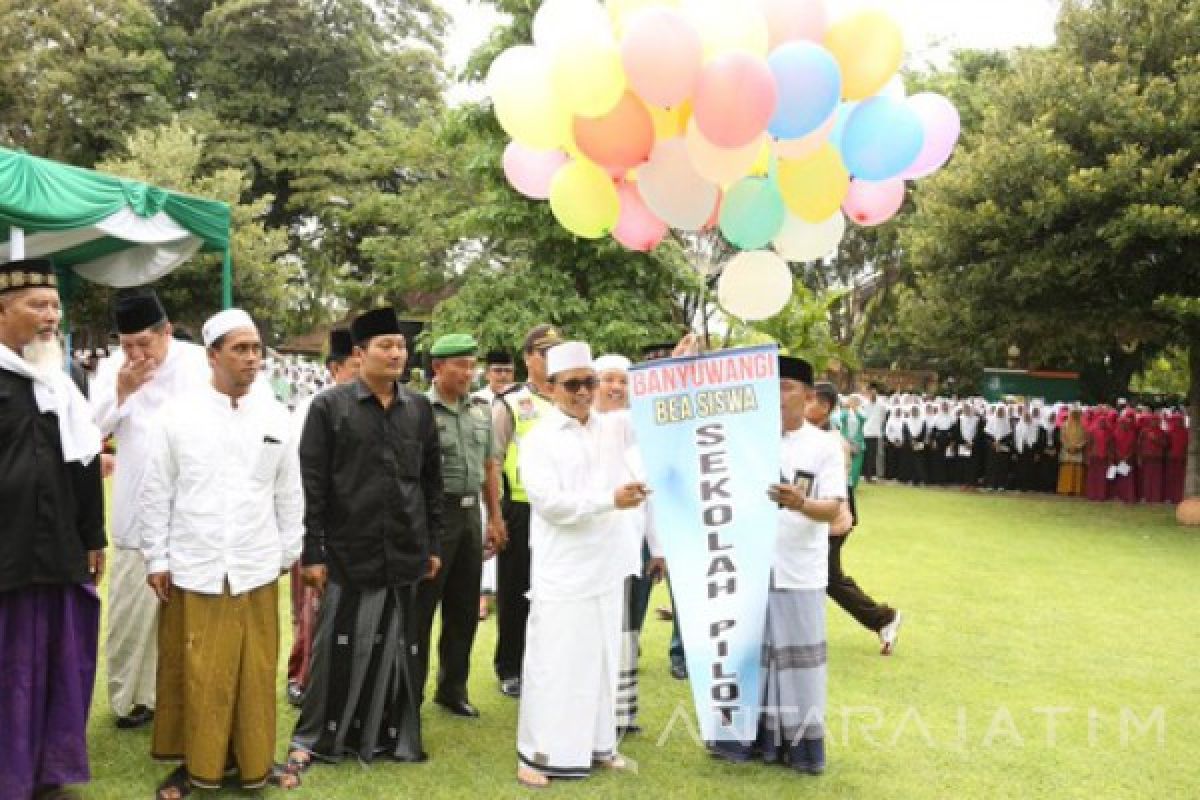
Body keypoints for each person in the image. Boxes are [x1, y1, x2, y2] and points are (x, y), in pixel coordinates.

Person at [138, 309, 303, 797]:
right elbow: (157, 490)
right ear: (213, 356)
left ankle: (255, 762)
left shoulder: (276, 415)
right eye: (240, 349)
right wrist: (157, 558)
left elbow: (288, 491)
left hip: (255, 565)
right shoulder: (177, 416)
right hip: (197, 564)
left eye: (256, 349)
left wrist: (287, 551)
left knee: (254, 673)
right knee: (201, 674)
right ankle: (196, 766)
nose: (253, 359)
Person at [287, 307, 443, 771]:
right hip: (347, 550)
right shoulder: (328, 407)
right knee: (339, 644)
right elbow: (312, 485)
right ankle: (321, 736)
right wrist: (312, 552)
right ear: (359, 354)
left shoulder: (417, 408)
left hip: (405, 547)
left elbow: (432, 482)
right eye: (385, 346)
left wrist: (433, 544)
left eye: (400, 345)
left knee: (399, 646)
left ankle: (388, 736)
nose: (396, 353)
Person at [514, 341, 647, 788]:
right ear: (550, 388)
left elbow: (656, 408)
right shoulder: (538, 440)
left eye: (589, 382)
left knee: (602, 660)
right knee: (555, 662)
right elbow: (551, 504)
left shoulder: (611, 428)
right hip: (564, 569)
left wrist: (675, 363)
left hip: (606, 565)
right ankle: (537, 753)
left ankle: (599, 745)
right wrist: (610, 500)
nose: (584, 392)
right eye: (573, 385)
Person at [0, 258, 106, 799]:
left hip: (61, 550)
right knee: (8, 670)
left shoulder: (65, 382)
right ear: (2, 310)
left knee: (58, 664)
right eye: (37, 306)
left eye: (55, 307)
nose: (50, 317)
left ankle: (48, 770)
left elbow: (85, 466)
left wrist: (94, 537)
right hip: (7, 558)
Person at [711, 355, 844, 774]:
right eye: (771, 385)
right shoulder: (746, 439)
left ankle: (800, 747)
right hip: (748, 563)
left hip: (797, 567)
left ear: (807, 397)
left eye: (787, 386)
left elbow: (834, 510)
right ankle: (740, 740)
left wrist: (802, 503)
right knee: (748, 654)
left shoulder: (824, 445)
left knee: (799, 662)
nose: (777, 394)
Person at [90, 288, 210, 730]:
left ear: (166, 332)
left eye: (145, 343)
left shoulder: (199, 363)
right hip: (137, 509)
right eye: (128, 346)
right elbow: (87, 433)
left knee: (186, 613)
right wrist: (119, 391)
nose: (137, 354)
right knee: (131, 614)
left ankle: (175, 698)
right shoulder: (111, 369)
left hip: (190, 508)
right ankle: (128, 701)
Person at [414, 333, 506, 718]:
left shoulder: (480, 411)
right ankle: (409, 693)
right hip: (434, 517)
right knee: (421, 610)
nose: (469, 373)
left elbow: (489, 468)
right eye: (461, 366)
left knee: (464, 609)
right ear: (438, 368)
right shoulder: (419, 410)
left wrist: (495, 517)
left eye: (472, 365)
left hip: (470, 517)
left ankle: (452, 688)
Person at [592, 352, 665, 736]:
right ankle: (591, 709)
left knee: (629, 628)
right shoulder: (583, 427)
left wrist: (659, 549)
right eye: (608, 379)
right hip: (593, 547)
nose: (616, 387)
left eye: (623, 381)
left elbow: (652, 496)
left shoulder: (639, 431)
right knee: (595, 628)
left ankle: (622, 712)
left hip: (634, 545)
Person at [286, 328, 360, 707]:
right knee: (310, 607)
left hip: (355, 528)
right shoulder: (312, 408)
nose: (362, 373)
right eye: (354, 366)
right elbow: (302, 476)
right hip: (316, 525)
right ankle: (303, 676)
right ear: (335, 368)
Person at [491, 324, 563, 698]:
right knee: (516, 590)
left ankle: (547, 664)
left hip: (562, 510)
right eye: (542, 351)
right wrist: (496, 515)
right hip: (521, 507)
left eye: (556, 350)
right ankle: (510, 666)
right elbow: (494, 459)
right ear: (527, 358)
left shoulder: (572, 395)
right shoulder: (512, 402)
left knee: (557, 591)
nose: (550, 358)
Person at [808, 382, 902, 656]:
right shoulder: (810, 436)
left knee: (830, 578)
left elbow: (836, 489)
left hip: (834, 515)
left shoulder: (832, 442)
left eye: (809, 401)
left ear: (824, 407)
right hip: (817, 515)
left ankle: (883, 618)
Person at [472, 350, 514, 621]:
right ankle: (482, 597)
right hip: (480, 480)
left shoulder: (518, 401)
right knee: (482, 538)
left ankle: (498, 592)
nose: (502, 376)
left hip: (510, 485)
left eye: (507, 371)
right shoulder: (479, 401)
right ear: (487, 373)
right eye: (497, 371)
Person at [1136, 412, 1167, 503]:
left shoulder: (1162, 432)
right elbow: (1139, 445)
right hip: (1147, 458)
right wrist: (1139, 457)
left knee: (1157, 478)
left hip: (1157, 458)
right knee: (1146, 478)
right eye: (1153, 421)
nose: (1155, 422)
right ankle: (1146, 497)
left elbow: (1165, 444)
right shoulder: (1144, 431)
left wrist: (1156, 440)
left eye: (1157, 421)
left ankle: (1156, 497)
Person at [1057, 409, 1088, 496]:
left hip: (1078, 451)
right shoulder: (1065, 425)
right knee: (1067, 470)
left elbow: (1085, 439)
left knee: (1077, 470)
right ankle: (1065, 489)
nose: (1074, 416)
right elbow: (1062, 438)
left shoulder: (1082, 426)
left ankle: (1076, 490)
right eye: (1073, 414)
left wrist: (1078, 447)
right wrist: (1068, 447)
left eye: (1076, 414)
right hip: (1067, 451)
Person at [1085, 412, 1114, 502]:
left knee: (1103, 477)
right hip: (1094, 456)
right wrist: (1088, 456)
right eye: (1101, 422)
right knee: (1093, 477)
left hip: (1104, 457)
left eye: (1104, 422)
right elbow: (1089, 444)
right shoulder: (1092, 431)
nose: (1102, 423)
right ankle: (1092, 495)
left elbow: (1110, 447)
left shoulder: (1109, 432)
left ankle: (1101, 495)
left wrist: (1110, 458)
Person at [984, 406, 1013, 491]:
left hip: (1003, 448)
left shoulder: (1007, 422)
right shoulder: (991, 420)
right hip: (992, 448)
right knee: (991, 466)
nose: (1000, 412)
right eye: (999, 411)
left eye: (1002, 411)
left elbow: (1009, 437)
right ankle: (990, 484)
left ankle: (1001, 485)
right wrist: (993, 443)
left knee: (1002, 467)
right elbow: (986, 436)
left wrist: (1000, 443)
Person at [1111, 411, 1138, 503]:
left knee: (1128, 477)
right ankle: (1119, 495)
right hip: (1118, 459)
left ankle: (1129, 495)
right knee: (1119, 477)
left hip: (1128, 459)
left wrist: (1127, 456)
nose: (1124, 425)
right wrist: (1119, 455)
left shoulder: (1132, 434)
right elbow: (1113, 446)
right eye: (1122, 424)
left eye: (1125, 424)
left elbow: (1133, 447)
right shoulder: (1115, 433)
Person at [860, 385, 885, 482]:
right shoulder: (865, 404)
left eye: (875, 393)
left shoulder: (881, 405)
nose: (873, 395)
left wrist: (877, 426)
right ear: (869, 394)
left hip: (875, 432)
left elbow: (882, 418)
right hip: (865, 431)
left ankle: (871, 475)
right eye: (871, 393)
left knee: (873, 454)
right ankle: (865, 474)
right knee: (865, 454)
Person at [1164, 412, 1189, 504]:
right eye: (1177, 421)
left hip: (1182, 458)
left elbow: (1187, 445)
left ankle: (1180, 496)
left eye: (1180, 421)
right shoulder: (1169, 432)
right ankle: (1171, 497)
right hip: (1172, 458)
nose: (1179, 423)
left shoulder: (1186, 432)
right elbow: (1166, 445)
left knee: (1181, 478)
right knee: (1171, 478)